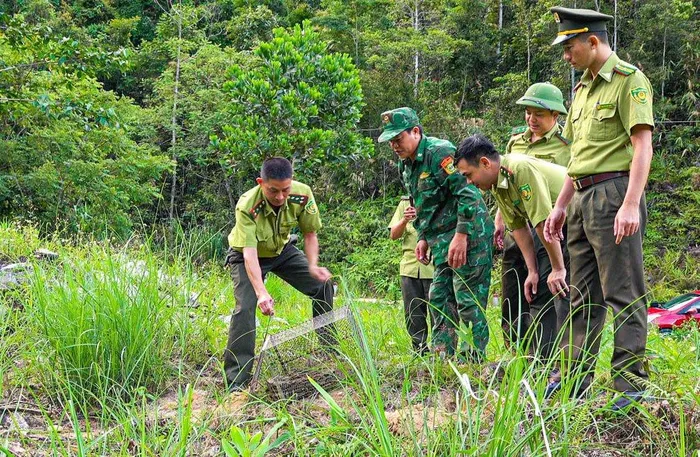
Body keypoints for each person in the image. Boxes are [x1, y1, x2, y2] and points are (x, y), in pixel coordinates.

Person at [543, 7, 655, 410]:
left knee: (622, 291)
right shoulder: (581, 91)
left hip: (613, 195)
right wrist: (559, 207)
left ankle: (629, 386)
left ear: (593, 41)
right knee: (581, 296)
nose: (566, 56)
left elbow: (643, 145)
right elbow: (580, 157)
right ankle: (575, 379)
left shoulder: (629, 81)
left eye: (570, 47)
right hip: (580, 200)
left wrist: (630, 204)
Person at [379, 107, 494, 361]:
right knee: (439, 295)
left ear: (416, 132)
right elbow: (419, 202)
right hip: (442, 242)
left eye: (398, 139)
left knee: (467, 298)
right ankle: (443, 356)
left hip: (470, 235)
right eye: (391, 141)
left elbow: (468, 193)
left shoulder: (439, 153)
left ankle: (473, 360)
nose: (395, 146)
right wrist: (422, 236)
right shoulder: (406, 165)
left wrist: (462, 235)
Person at [455, 134, 569, 363]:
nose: (468, 182)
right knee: (536, 285)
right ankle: (535, 359)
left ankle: (546, 364)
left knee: (548, 291)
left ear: (485, 163)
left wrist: (557, 267)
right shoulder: (497, 184)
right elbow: (518, 228)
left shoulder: (518, 169)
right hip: (551, 229)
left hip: (571, 222)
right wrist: (532, 270)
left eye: (469, 175)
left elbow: (541, 222)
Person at [223, 157, 334, 391]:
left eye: (285, 190)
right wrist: (262, 293)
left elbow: (310, 234)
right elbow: (249, 254)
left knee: (323, 285)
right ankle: (237, 383)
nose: (280, 197)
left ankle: (331, 352)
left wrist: (313, 266)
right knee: (245, 308)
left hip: (282, 250)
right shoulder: (247, 205)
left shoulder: (302, 195)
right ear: (261, 182)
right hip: (247, 255)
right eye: (273, 191)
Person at [495, 82, 571, 350]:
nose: (531, 119)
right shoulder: (516, 141)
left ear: (555, 116)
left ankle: (542, 355)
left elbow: (570, 185)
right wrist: (500, 219)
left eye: (538, 114)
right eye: (528, 113)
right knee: (512, 287)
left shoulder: (566, 146)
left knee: (541, 293)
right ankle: (515, 352)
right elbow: (505, 182)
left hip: (549, 226)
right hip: (518, 225)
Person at [389, 196, 435, 354]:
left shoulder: (438, 198)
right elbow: (393, 235)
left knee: (438, 311)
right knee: (413, 312)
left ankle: (440, 351)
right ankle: (419, 350)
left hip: (434, 267)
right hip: (409, 267)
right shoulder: (405, 203)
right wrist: (404, 220)